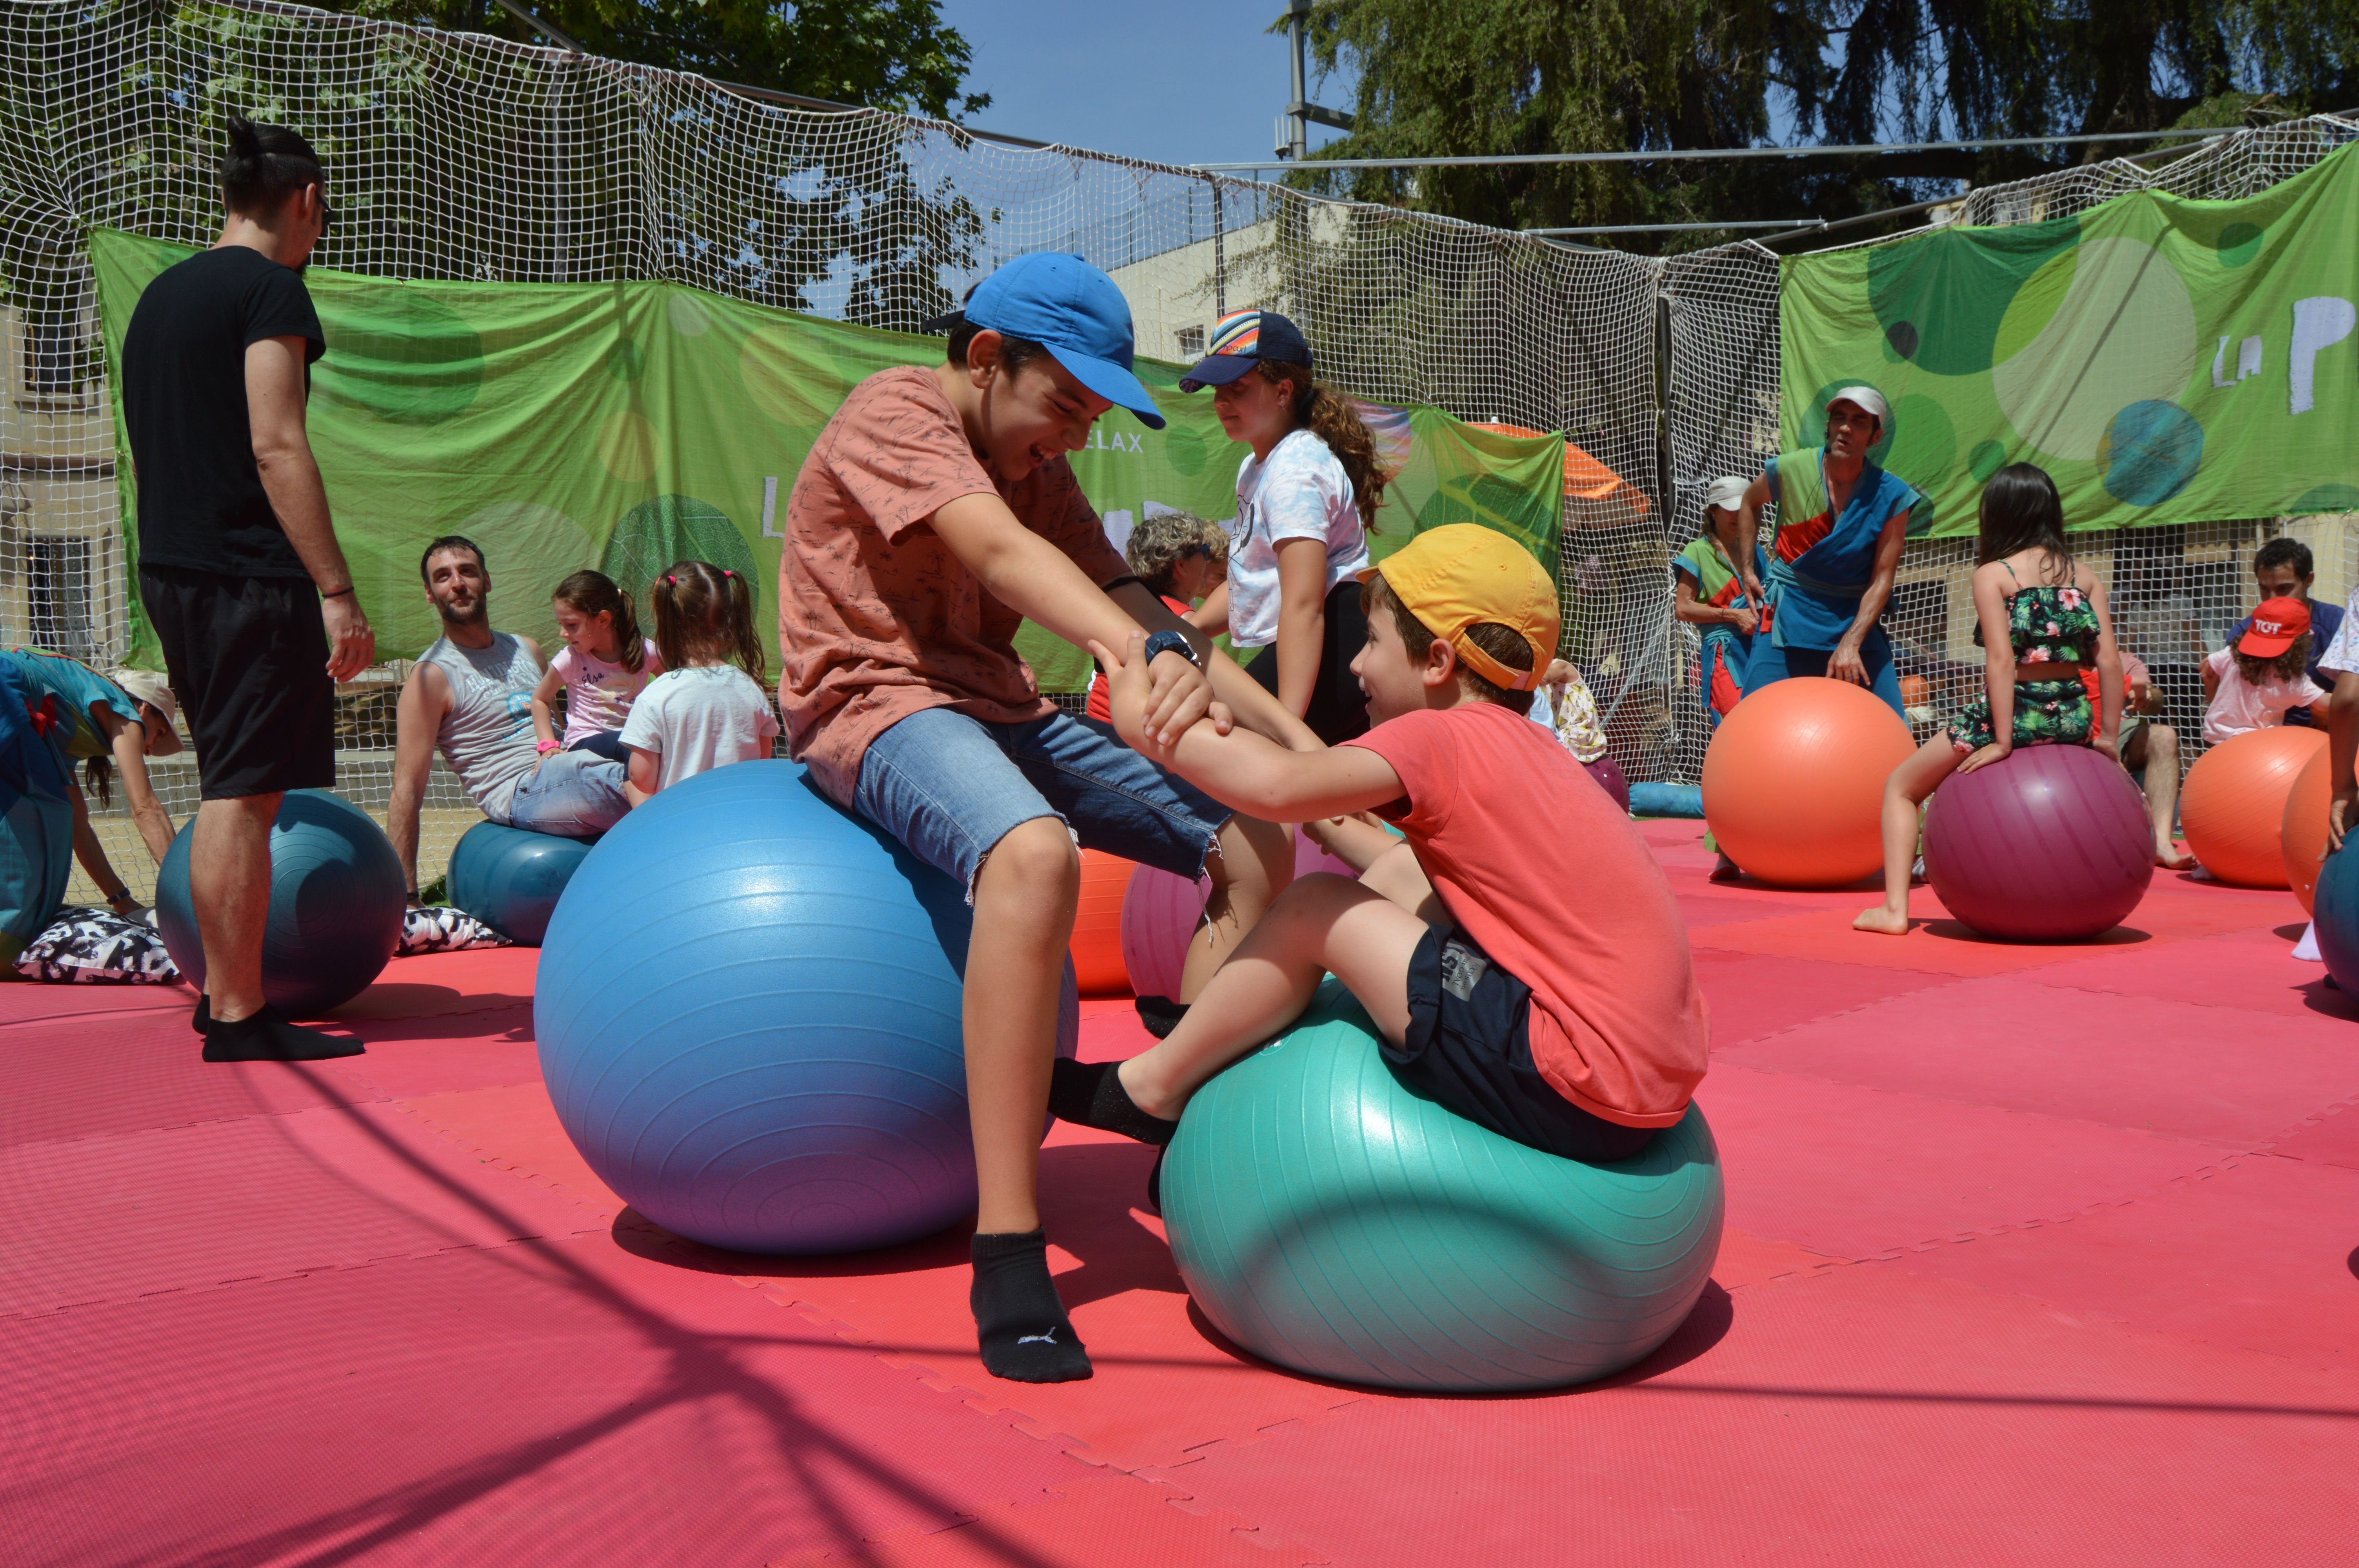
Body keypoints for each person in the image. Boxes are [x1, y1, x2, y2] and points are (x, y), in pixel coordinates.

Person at [778, 252, 1314, 1386]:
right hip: (874, 704)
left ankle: (1179, 1117)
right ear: (985, 360)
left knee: (1256, 839)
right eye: (1063, 405)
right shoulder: (898, 410)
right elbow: (999, 552)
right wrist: (1132, 650)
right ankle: (1009, 1246)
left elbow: (1119, 589)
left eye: (1090, 415)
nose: (1072, 438)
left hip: (1001, 710)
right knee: (1033, 855)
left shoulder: (1037, 459)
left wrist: (1167, 650)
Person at [1055, 524, 1708, 1208]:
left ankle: (1153, 1089)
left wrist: (1149, 729)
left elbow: (1276, 787)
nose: (1357, 667)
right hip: (1648, 1087)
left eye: (1371, 642)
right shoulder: (1534, 749)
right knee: (1403, 875)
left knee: (1314, 907)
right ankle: (1224, 1022)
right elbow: (1366, 840)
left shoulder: (1440, 733)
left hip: (1571, 1085)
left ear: (1436, 662)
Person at [118, 114, 375, 1062]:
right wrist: (336, 590)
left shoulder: (162, 295)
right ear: (305, 202)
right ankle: (236, 1014)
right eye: (323, 213)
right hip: (244, 574)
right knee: (244, 790)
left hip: (176, 569)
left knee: (236, 779)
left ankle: (224, 991)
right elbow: (277, 442)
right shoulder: (271, 289)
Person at [1855, 465, 2122, 936]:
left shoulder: (1993, 575)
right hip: (2074, 715)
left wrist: (2002, 741)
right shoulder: (2085, 577)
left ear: (1998, 516)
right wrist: (2109, 738)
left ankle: (1895, 911)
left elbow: (2000, 662)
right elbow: (2109, 663)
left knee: (1900, 786)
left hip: (2017, 713)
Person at [1178, 310, 1383, 746]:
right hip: (1320, 635)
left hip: (1336, 636)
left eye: (1238, 387)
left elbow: (1305, 603)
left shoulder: (1293, 470)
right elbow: (1249, 580)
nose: (1221, 402)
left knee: (1230, 750)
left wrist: (1286, 724)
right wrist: (1185, 631)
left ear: (1283, 391)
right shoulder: (1257, 466)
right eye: (1217, 389)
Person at [388, 537, 631, 903]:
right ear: (429, 593)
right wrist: (405, 899)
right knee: (628, 776)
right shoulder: (431, 678)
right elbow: (406, 790)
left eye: (467, 572)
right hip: (522, 789)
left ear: (486, 580)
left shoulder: (526, 649)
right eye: (443, 577)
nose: (457, 583)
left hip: (564, 769)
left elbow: (565, 728)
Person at [1731, 387, 1919, 715]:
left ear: (1876, 438)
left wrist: (1852, 642)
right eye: (1840, 418)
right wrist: (1748, 569)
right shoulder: (1790, 468)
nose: (1846, 427)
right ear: (1829, 426)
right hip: (1787, 619)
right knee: (1753, 720)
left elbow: (1882, 581)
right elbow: (1749, 502)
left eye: (1859, 421)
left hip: (1855, 622)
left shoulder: (1893, 495)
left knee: (1892, 729)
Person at [0, 651, 182, 916]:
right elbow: (145, 809)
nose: (151, 748)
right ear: (143, 708)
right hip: (7, 686)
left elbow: (78, 829)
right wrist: (187, 894)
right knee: (41, 826)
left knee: (59, 814)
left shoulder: (64, 737)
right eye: (161, 732)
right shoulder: (126, 716)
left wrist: (121, 900)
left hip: (11, 694)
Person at [619, 562, 777, 804]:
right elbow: (762, 760)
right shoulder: (752, 690)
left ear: (666, 623)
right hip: (742, 819)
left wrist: (629, 785)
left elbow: (641, 778)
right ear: (731, 621)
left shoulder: (656, 697)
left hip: (682, 828)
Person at [1085, 510, 1229, 722]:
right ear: (1181, 566)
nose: (1208, 562)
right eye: (1205, 552)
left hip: (1099, 722)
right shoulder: (1184, 620)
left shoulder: (1127, 605)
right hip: (1131, 734)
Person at [2079, 643, 2194, 869]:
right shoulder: (2056, 658)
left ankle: (2161, 842)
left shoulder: (2125, 661)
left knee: (2164, 735)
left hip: (2118, 733)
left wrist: (2147, 696)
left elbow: (2155, 697)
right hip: (2073, 736)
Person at [531, 569, 663, 764]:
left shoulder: (645, 651)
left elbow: (671, 684)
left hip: (632, 737)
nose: (563, 633)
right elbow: (540, 699)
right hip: (586, 741)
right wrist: (548, 745)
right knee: (634, 748)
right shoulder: (571, 660)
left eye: (572, 625)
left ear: (603, 619)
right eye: (561, 624)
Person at [1674, 475, 1770, 730]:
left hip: (1759, 651)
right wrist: (1733, 615)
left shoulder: (1757, 552)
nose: (1738, 517)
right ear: (1713, 511)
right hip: (1723, 657)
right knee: (1738, 729)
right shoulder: (1696, 551)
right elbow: (1683, 608)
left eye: (1744, 510)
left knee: (1766, 726)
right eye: (1732, 510)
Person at [2228, 538, 2342, 726]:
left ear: (2309, 581)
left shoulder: (2337, 624)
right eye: (2264, 589)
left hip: (2332, 728)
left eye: (2284, 588)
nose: (2273, 599)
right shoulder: (2243, 634)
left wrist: (2331, 714)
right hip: (2264, 737)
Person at [2201, 598, 2330, 744]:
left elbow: (2206, 668)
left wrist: (2214, 698)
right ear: (2303, 641)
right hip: (2259, 748)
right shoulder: (2293, 681)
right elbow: (2326, 704)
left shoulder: (2231, 655)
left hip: (2215, 741)